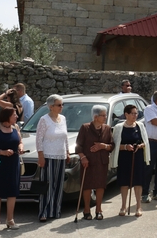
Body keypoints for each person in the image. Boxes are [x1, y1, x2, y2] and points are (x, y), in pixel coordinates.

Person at [110, 104, 149, 217]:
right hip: (124, 158)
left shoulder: (140, 126)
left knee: (138, 181)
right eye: (132, 113)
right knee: (124, 182)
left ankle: (138, 206)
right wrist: (126, 147)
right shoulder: (119, 127)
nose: (135, 115)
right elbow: (115, 145)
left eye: (136, 113)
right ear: (126, 114)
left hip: (137, 157)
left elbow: (145, 142)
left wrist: (140, 146)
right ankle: (123, 206)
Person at [75, 105, 113, 221]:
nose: (105, 117)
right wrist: (83, 157)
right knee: (87, 185)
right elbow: (78, 146)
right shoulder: (85, 128)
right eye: (103, 115)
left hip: (102, 162)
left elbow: (112, 145)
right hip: (88, 161)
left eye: (105, 115)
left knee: (100, 185)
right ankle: (86, 210)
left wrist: (103, 146)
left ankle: (98, 210)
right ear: (96, 117)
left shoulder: (107, 128)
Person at [35, 94, 70, 222]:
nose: (61, 107)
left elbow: (65, 137)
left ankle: (55, 210)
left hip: (60, 156)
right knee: (48, 184)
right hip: (48, 156)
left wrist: (67, 152)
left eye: (62, 105)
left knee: (59, 184)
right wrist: (41, 156)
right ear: (51, 107)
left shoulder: (63, 118)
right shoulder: (44, 120)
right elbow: (39, 139)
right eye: (59, 105)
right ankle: (43, 211)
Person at [0, 107, 24, 229]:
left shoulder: (15, 128)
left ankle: (10, 220)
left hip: (13, 163)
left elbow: (20, 141)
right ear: (7, 116)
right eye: (14, 115)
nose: (17, 117)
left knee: (12, 192)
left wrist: (20, 147)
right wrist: (2, 152)